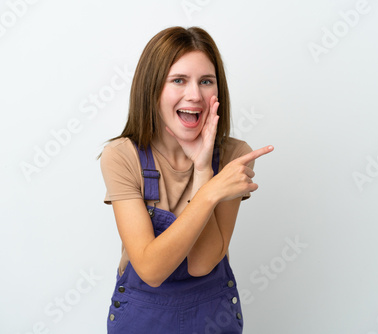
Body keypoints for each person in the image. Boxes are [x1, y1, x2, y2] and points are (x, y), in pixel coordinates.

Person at [99, 26, 273, 333]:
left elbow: (202, 264)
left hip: (211, 318)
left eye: (206, 81)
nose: (195, 95)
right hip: (142, 319)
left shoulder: (234, 156)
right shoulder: (122, 157)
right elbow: (151, 269)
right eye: (178, 80)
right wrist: (209, 194)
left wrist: (203, 167)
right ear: (151, 88)